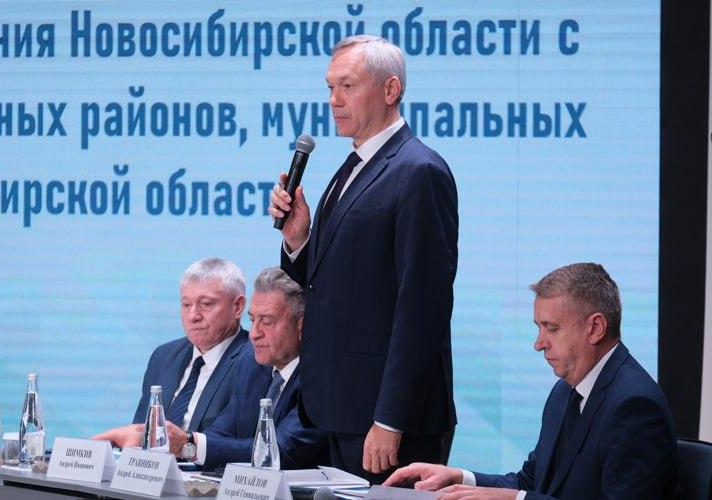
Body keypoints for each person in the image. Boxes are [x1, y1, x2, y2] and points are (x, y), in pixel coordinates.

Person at [269, 34, 458, 481]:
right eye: (330, 87)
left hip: (386, 420)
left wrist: (390, 419)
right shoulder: (351, 167)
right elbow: (335, 283)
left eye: (348, 86)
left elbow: (423, 306)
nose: (334, 100)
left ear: (391, 90)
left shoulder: (418, 170)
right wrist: (299, 241)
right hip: (338, 407)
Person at [384, 263, 679, 500]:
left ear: (596, 328)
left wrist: (517, 499)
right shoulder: (565, 391)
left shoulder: (635, 406)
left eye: (552, 328)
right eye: (539, 328)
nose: (539, 344)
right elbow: (531, 481)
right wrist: (459, 478)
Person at [162, 267, 329, 469]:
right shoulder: (254, 367)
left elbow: (279, 451)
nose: (254, 334)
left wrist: (188, 444)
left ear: (302, 326)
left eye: (266, 321)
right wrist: (185, 446)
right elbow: (219, 436)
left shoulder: (324, 380)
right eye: (252, 320)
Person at [93, 257, 249, 447]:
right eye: (186, 304)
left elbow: (241, 445)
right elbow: (140, 432)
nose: (193, 316)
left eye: (206, 304)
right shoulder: (164, 357)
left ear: (237, 306)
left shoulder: (254, 360)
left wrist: (186, 446)